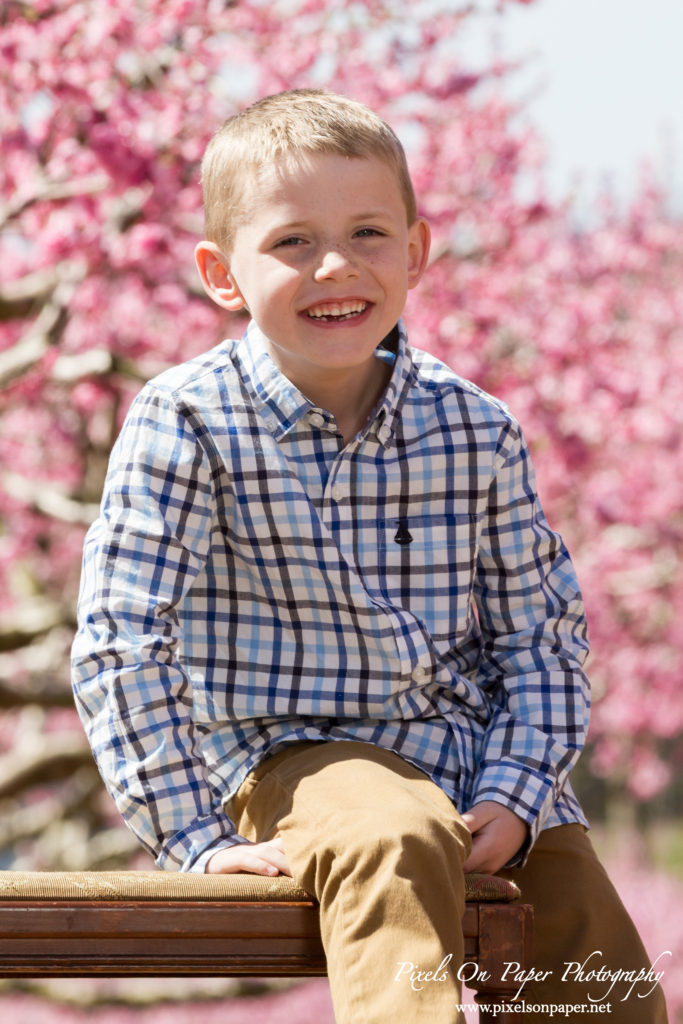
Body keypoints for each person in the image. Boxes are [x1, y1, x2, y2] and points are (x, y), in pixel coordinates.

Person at [71, 90, 668, 1023]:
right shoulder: (186, 420)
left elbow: (541, 637)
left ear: (416, 251)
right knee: (393, 832)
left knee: (591, 950)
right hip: (288, 758)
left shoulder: (473, 428)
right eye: (291, 242)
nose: (335, 266)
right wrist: (191, 835)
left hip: (472, 768)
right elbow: (120, 644)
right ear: (222, 274)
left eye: (366, 233)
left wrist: (516, 792)